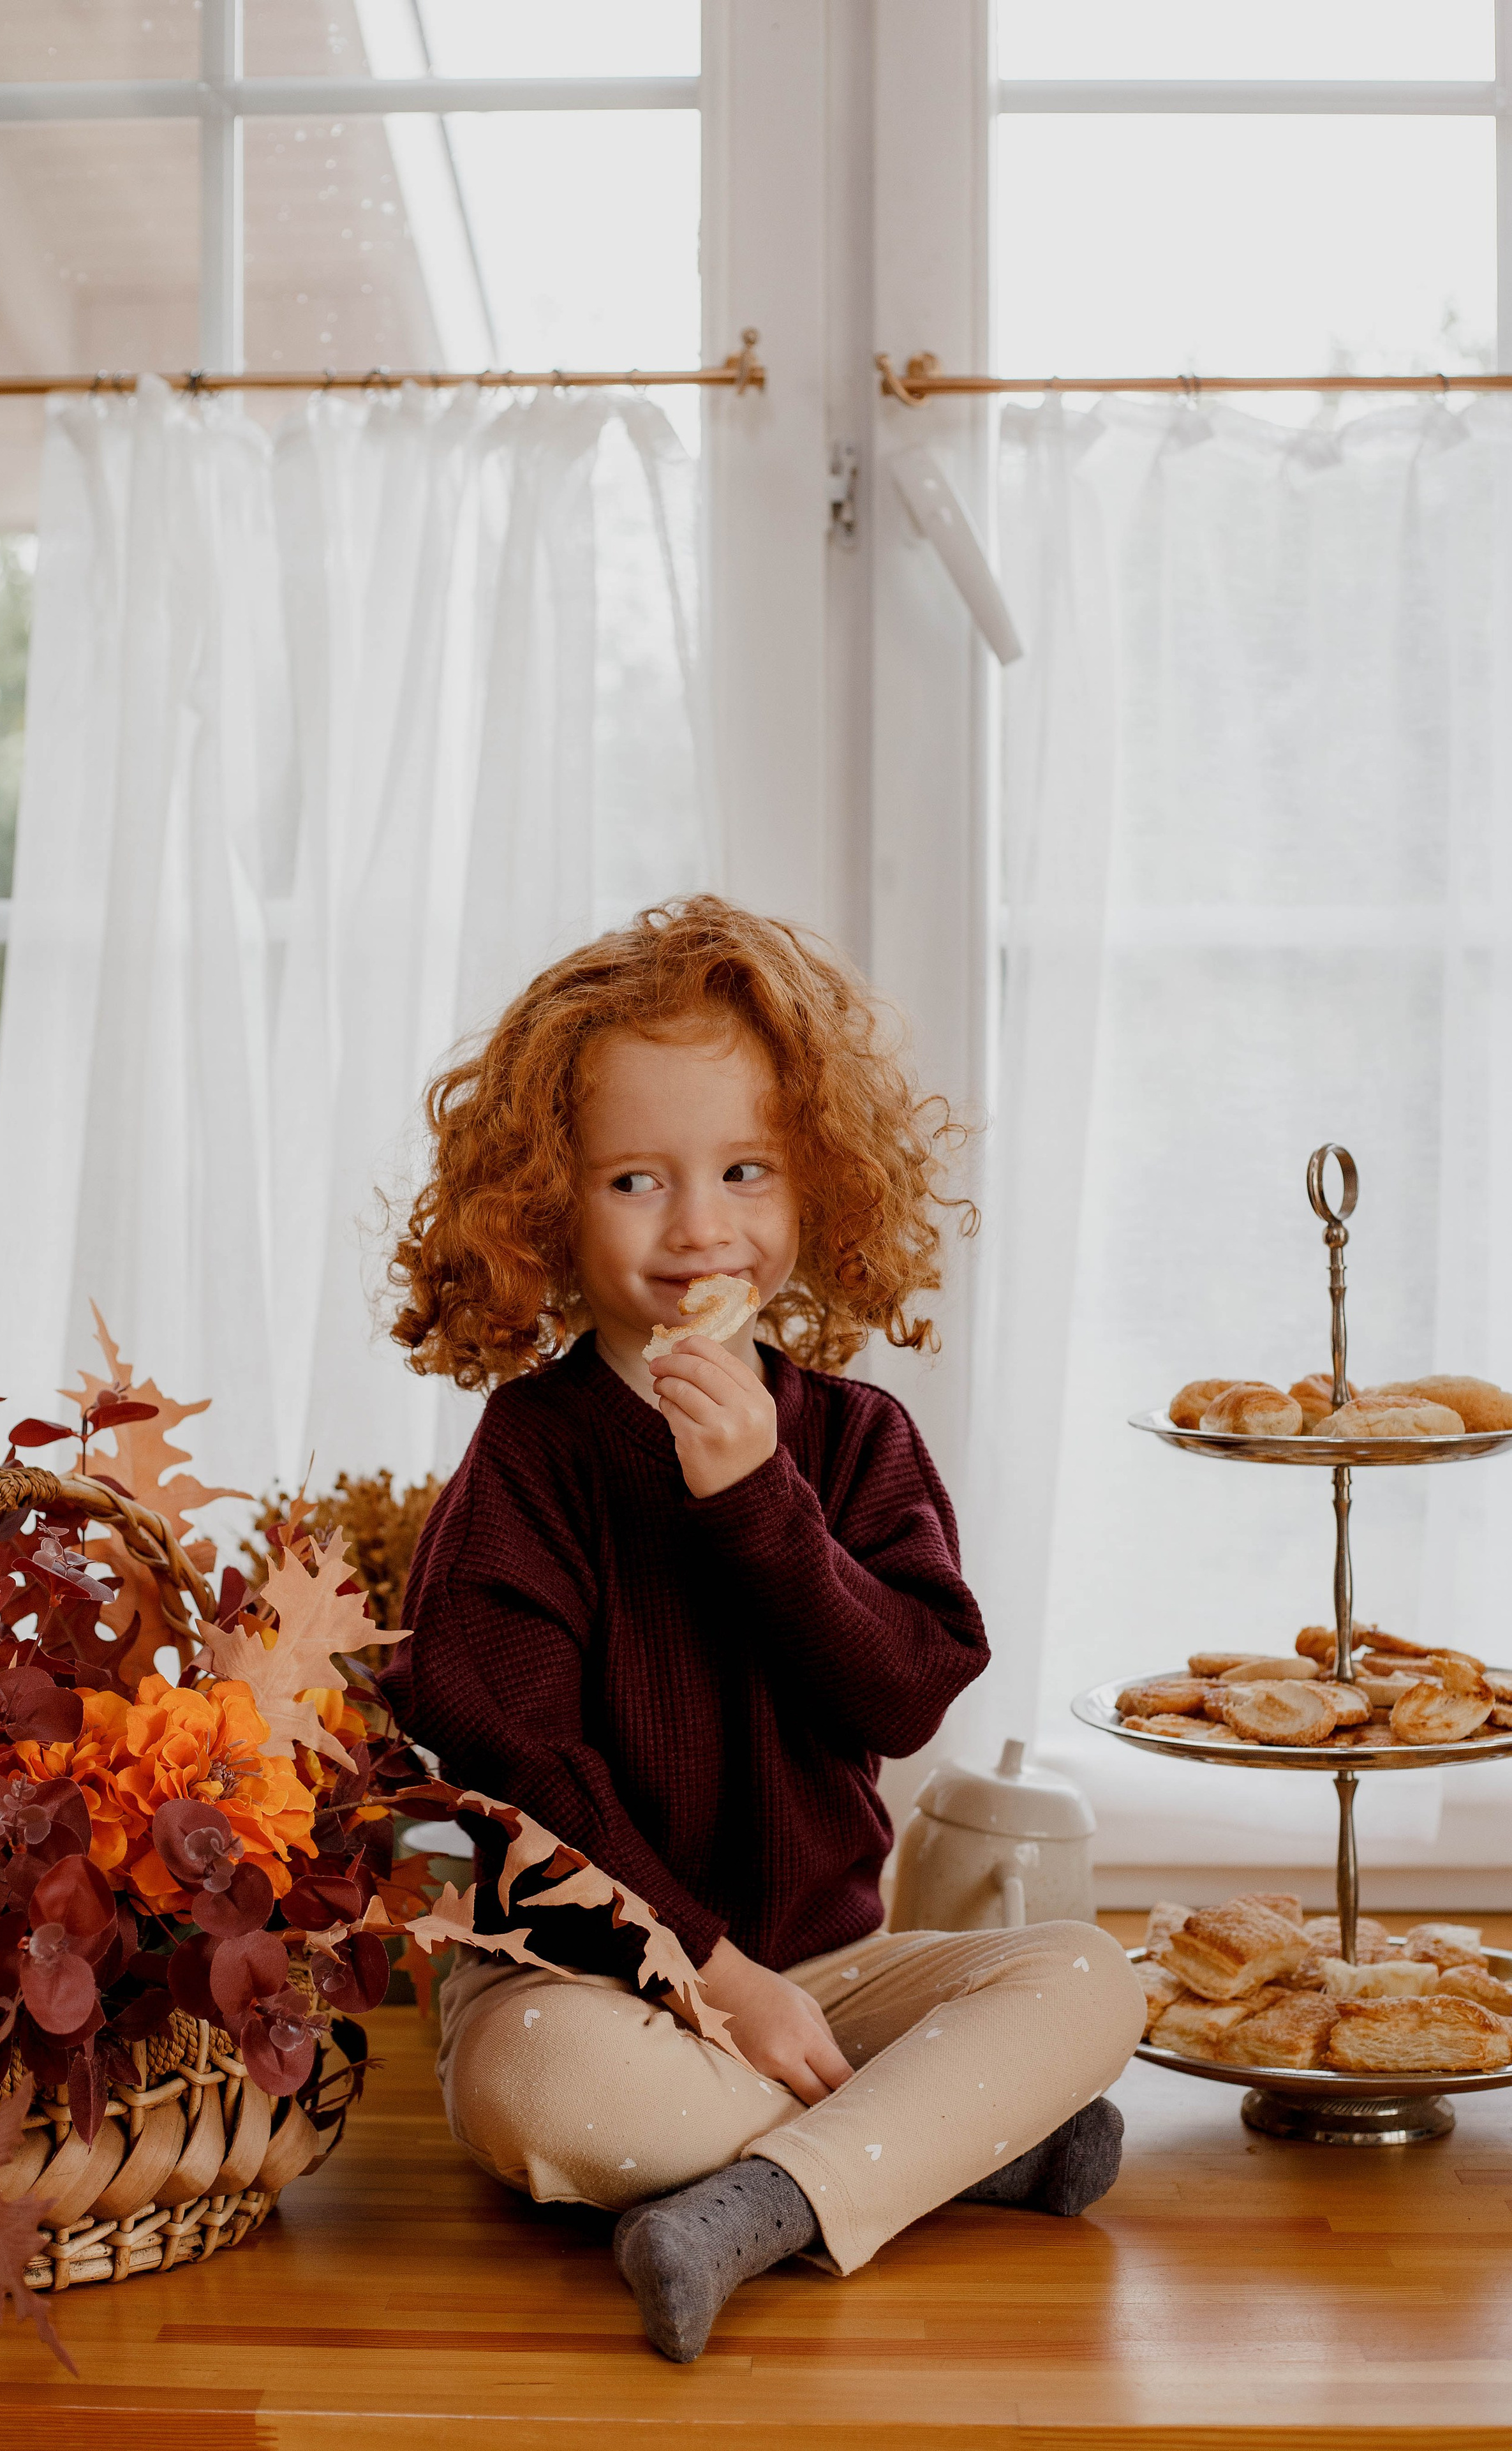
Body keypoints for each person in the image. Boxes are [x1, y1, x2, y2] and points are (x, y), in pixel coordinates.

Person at [379, 897, 1141, 2362]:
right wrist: (707, 1970)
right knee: (543, 2104)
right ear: (548, 1204)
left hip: (826, 1983)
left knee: (1094, 1980)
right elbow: (516, 1757)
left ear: (818, 1190)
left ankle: (758, 2199)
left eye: (742, 1170)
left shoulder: (853, 1441)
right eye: (632, 1180)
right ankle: (949, 2150)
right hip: (589, 1982)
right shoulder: (529, 1456)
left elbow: (905, 1687)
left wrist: (756, 1504)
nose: (697, 1225)